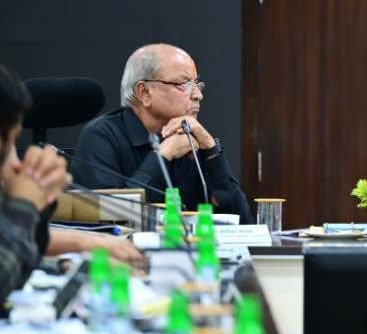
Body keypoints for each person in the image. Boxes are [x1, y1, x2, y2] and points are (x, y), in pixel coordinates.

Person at [0, 66, 141, 303]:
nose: (16, 163)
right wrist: (24, 206)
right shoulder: (103, 133)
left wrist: (78, 250)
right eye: (11, 142)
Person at [74, 44, 253, 223]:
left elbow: (243, 223)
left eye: (197, 84)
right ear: (144, 92)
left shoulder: (190, 138)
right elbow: (111, 217)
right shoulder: (101, 137)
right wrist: (163, 155)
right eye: (184, 84)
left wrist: (211, 149)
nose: (198, 95)